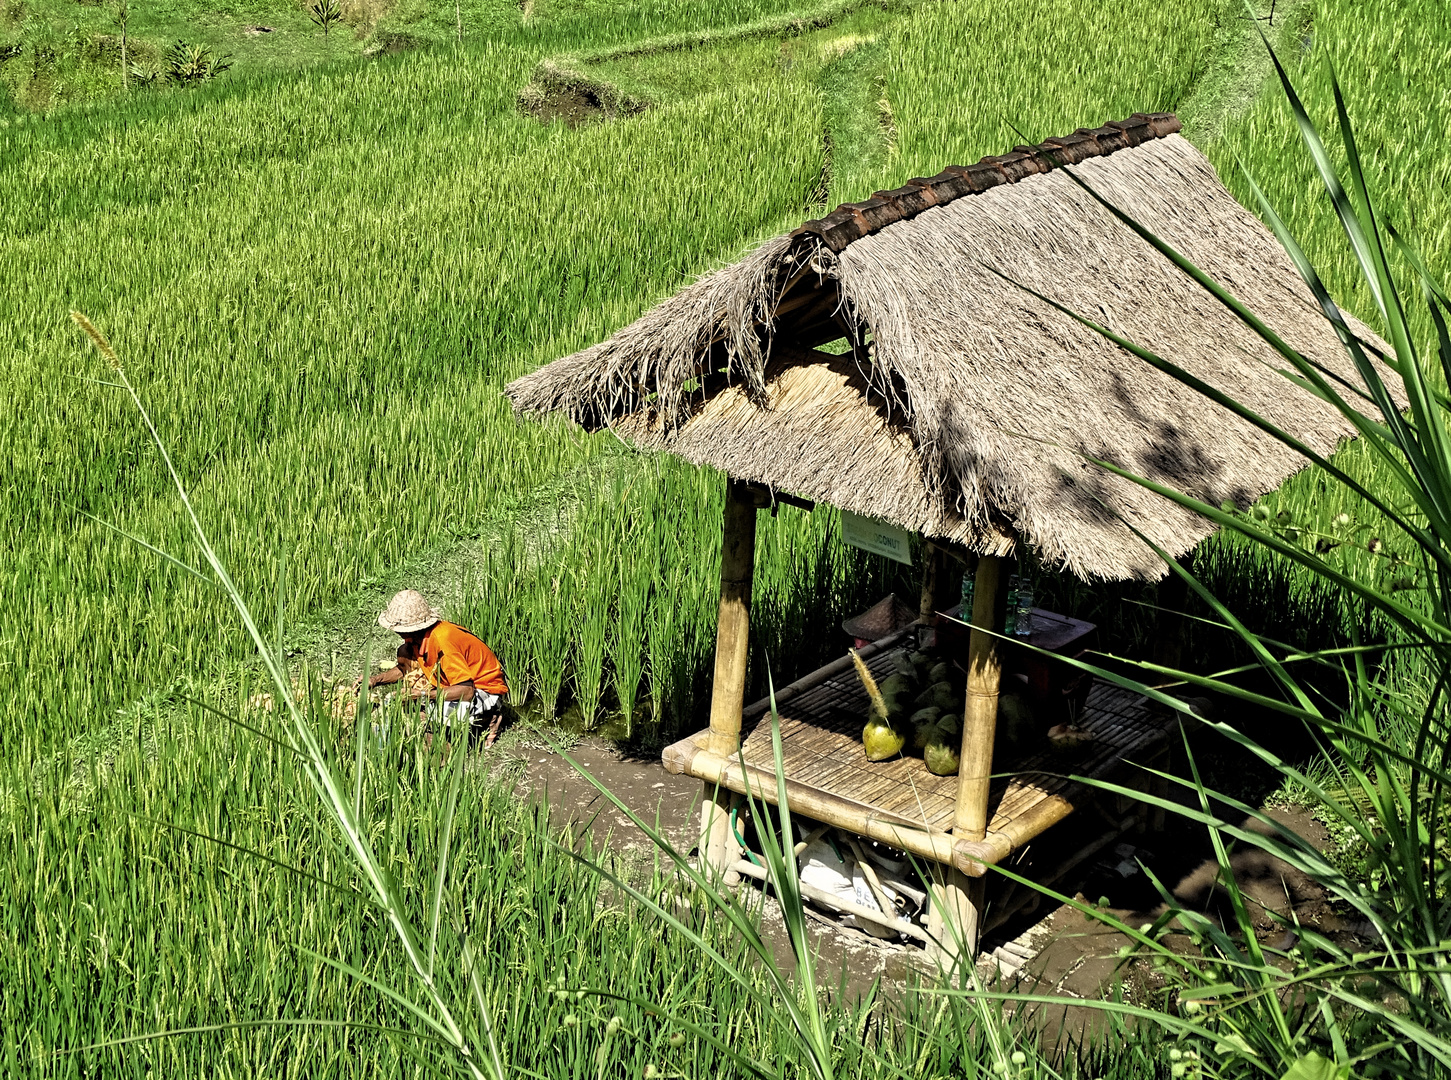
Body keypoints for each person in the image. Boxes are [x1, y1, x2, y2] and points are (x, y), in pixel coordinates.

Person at [366, 590, 509, 747]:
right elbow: (403, 669)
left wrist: (422, 695)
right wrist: (374, 680)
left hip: (484, 690)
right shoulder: (417, 638)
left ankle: (487, 719)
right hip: (456, 683)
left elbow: (467, 692)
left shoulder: (442, 641)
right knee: (404, 653)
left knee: (420, 713)